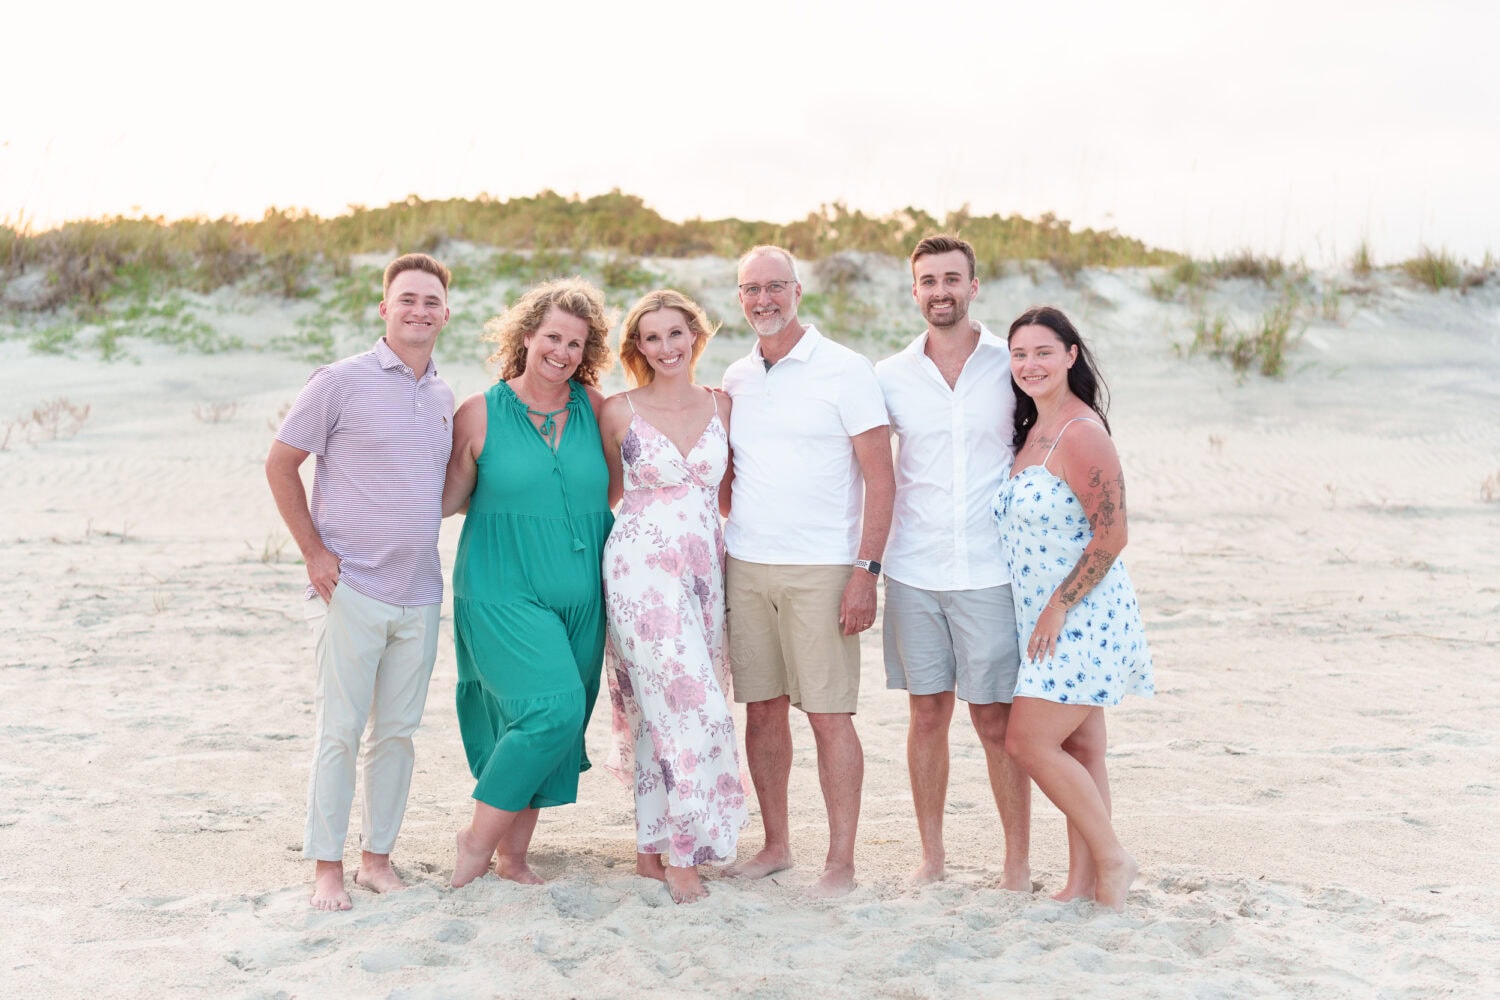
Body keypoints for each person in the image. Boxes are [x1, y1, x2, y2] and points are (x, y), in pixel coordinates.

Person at [265, 252, 455, 911]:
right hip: (350, 589)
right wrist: (314, 553)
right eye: (407, 299)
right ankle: (326, 866)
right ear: (385, 308)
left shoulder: (442, 395)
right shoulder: (338, 382)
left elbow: (435, 489)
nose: (419, 310)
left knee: (397, 734)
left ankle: (377, 860)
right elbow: (281, 464)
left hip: (422, 593)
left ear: (446, 315)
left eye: (431, 301)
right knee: (340, 731)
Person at [721, 245, 894, 898]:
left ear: (798, 292)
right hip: (747, 565)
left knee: (827, 714)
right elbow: (730, 478)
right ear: (739, 298)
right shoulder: (737, 377)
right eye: (749, 289)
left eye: (774, 287)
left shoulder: (846, 370)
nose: (762, 299)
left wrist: (865, 572)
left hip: (823, 569)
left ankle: (840, 863)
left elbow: (882, 479)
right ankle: (775, 845)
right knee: (762, 713)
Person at [443, 278, 615, 888]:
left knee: (560, 722)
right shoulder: (478, 412)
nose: (563, 352)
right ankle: (475, 843)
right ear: (525, 336)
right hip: (500, 587)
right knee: (551, 708)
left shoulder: (596, 410)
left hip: (583, 595)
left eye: (576, 343)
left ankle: (513, 858)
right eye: (552, 338)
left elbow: (614, 491)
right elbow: (445, 500)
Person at [876, 235, 1032, 889]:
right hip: (912, 569)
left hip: (992, 572)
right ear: (914, 292)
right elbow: (853, 466)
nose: (940, 291)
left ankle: (1017, 861)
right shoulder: (888, 376)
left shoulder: (1011, 364)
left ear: (974, 285)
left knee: (995, 719)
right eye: (928, 281)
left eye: (952, 278)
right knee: (926, 714)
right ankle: (932, 857)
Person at [991, 305, 1154, 911]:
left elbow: (1112, 535)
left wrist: (1059, 606)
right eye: (1019, 355)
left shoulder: (1082, 432)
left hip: (1083, 615)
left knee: (1028, 743)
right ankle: (1086, 884)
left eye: (1042, 352)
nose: (1029, 365)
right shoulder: (1035, 428)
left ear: (1070, 356)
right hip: (1045, 614)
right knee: (1082, 749)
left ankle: (1114, 859)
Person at [599, 289, 749, 904]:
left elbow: (730, 498)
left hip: (703, 573)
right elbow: (607, 492)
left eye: (676, 334)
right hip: (639, 571)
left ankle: (648, 846)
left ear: (697, 336)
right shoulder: (616, 411)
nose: (666, 347)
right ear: (637, 347)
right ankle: (682, 853)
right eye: (652, 337)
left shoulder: (725, 406)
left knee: (662, 708)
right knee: (691, 705)